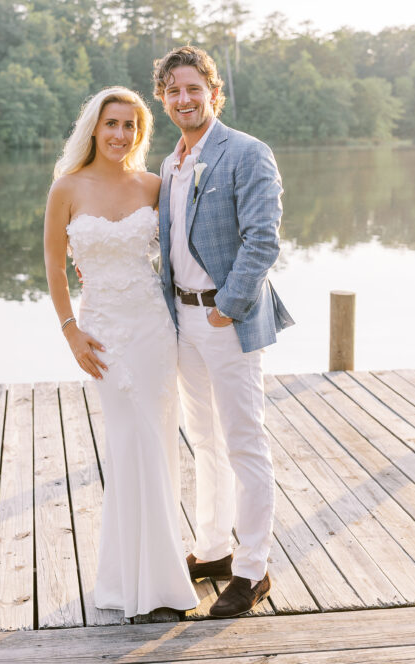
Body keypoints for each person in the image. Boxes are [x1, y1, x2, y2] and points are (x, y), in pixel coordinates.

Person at [44, 86, 198, 619]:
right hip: (103, 331)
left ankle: (160, 585)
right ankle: (128, 582)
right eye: (112, 124)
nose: (120, 134)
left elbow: (186, 250)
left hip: (153, 330)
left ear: (140, 133)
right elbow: (54, 265)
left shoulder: (154, 186)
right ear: (94, 128)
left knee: (156, 443)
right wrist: (71, 332)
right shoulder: (67, 188)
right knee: (127, 443)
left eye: (130, 126)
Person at [154, 46, 294, 619]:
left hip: (225, 320)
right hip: (182, 321)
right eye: (173, 91)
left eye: (194, 89)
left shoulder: (246, 153)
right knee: (205, 441)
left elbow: (264, 240)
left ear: (215, 93)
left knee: (244, 442)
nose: (184, 100)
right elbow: (167, 240)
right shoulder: (170, 164)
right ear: (163, 99)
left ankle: (253, 568)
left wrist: (226, 307)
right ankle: (213, 550)